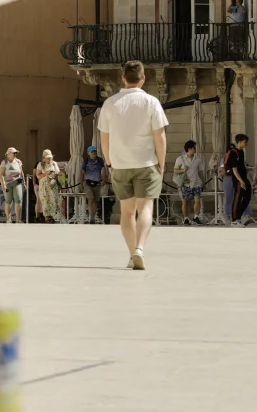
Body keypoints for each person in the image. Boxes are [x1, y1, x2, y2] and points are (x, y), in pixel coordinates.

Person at [98, 59, 168, 270]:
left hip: (119, 164)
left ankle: (131, 253)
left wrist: (109, 162)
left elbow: (104, 138)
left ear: (123, 78)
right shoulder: (151, 102)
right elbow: (160, 136)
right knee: (145, 208)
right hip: (146, 162)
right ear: (143, 79)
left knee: (127, 212)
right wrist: (162, 164)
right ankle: (139, 249)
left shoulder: (110, 103)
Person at [172, 140, 204, 225]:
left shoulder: (198, 159)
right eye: (194, 147)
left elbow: (200, 171)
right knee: (185, 202)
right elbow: (175, 170)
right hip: (185, 184)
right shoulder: (180, 159)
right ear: (189, 149)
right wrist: (183, 170)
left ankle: (196, 217)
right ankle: (186, 218)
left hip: (196, 182)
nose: (195, 149)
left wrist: (203, 181)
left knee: (197, 200)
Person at [226, 132, 252, 224]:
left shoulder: (241, 152)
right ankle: (234, 219)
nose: (246, 144)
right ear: (240, 142)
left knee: (248, 196)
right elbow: (234, 169)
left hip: (244, 178)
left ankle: (238, 216)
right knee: (237, 198)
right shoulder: (233, 153)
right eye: (245, 142)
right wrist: (240, 181)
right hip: (238, 180)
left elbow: (241, 165)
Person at [35, 149, 62, 223]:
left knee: (53, 200)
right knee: (45, 201)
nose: (49, 159)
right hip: (44, 185)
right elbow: (38, 175)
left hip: (52, 184)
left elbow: (58, 172)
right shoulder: (40, 164)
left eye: (50, 157)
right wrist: (46, 173)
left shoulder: (54, 163)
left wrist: (56, 173)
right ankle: (47, 218)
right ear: (44, 158)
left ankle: (52, 217)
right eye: (47, 158)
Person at [82, 145, 106, 223]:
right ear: (88, 153)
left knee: (95, 200)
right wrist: (82, 181)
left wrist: (104, 179)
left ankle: (92, 217)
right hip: (88, 182)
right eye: (92, 151)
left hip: (97, 182)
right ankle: (91, 215)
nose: (94, 153)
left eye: (95, 151)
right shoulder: (86, 160)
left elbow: (103, 169)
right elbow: (82, 171)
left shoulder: (100, 160)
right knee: (91, 198)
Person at [0, 148, 25, 223]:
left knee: (18, 200)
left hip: (17, 182)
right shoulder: (4, 162)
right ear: (8, 154)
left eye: (15, 153)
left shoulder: (18, 161)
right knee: (8, 201)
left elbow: (21, 172)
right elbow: (1, 174)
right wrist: (3, 184)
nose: (15, 154)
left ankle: (18, 219)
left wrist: (24, 183)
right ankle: (8, 219)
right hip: (7, 183)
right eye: (13, 153)